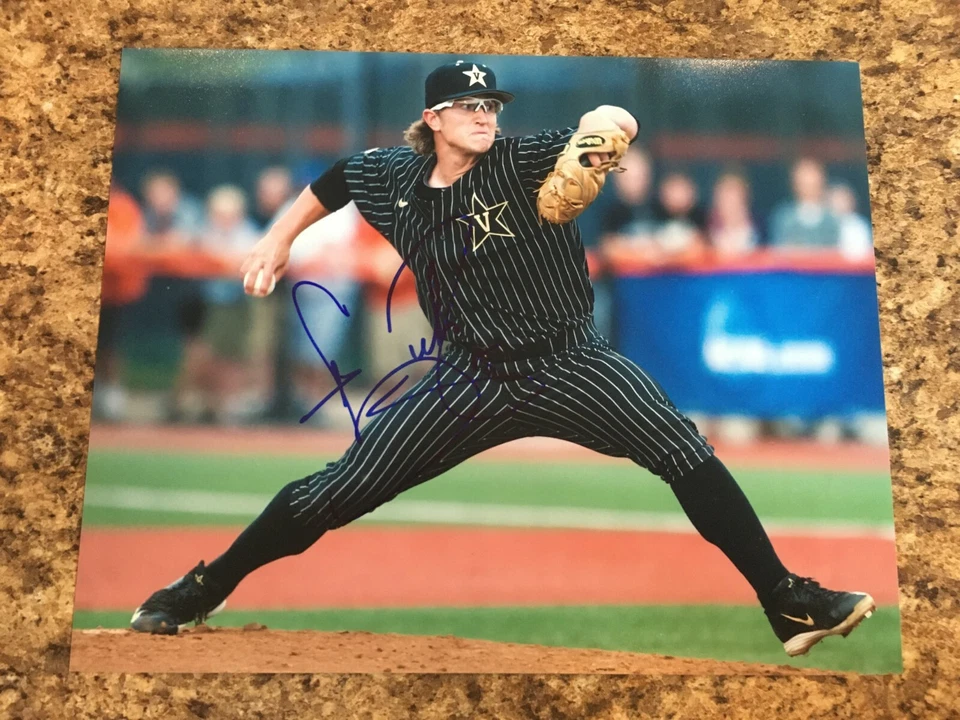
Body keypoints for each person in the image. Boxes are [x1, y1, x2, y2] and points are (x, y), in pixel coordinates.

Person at [129, 60, 875, 658]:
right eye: (470, 107)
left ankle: (784, 596)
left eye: (492, 105)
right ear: (434, 118)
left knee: (682, 447)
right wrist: (277, 238)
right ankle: (205, 585)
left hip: (568, 360)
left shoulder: (521, 158)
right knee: (339, 489)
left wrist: (599, 148)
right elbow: (333, 182)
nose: (487, 115)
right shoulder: (392, 179)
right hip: (469, 377)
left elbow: (614, 122)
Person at [768, 158, 840, 250]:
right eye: (804, 183)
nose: (808, 188)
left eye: (812, 183)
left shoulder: (833, 218)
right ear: (795, 185)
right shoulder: (783, 218)